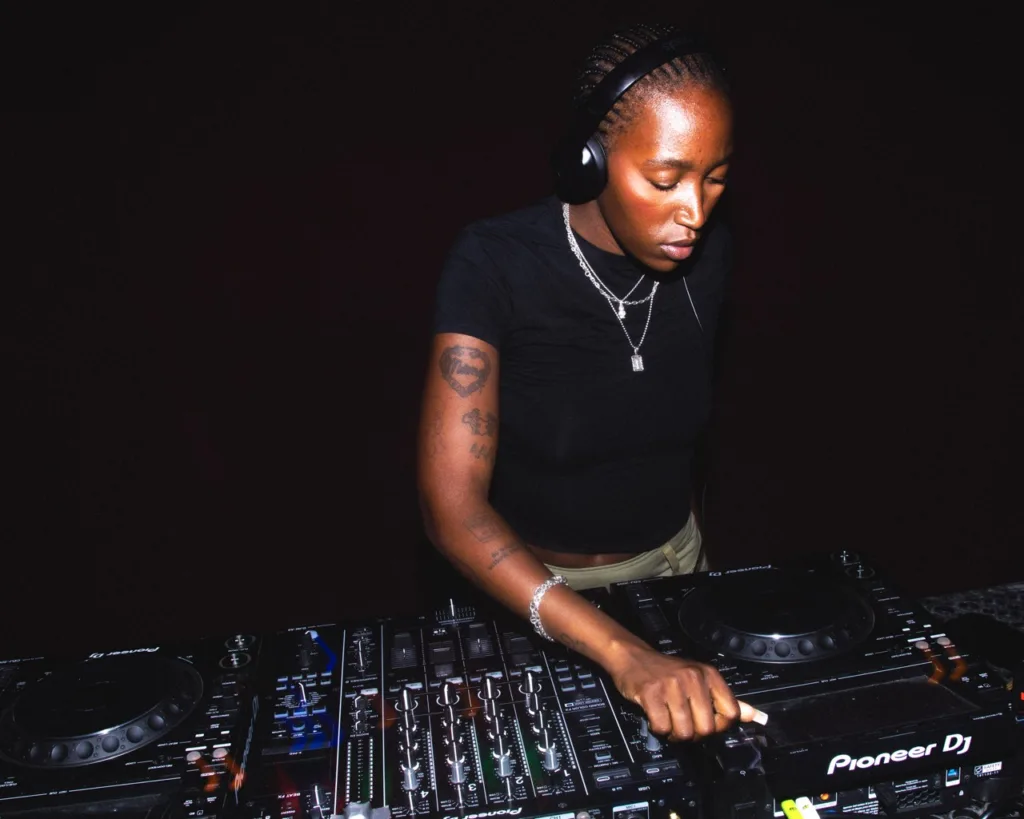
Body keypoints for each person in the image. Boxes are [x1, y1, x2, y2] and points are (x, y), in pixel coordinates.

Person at [417, 22, 760, 741]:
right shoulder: (493, 264)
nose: (695, 212)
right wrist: (623, 652)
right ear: (588, 163)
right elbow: (452, 507)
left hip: (675, 568)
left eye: (717, 177)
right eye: (664, 180)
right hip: (532, 594)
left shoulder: (711, 257)